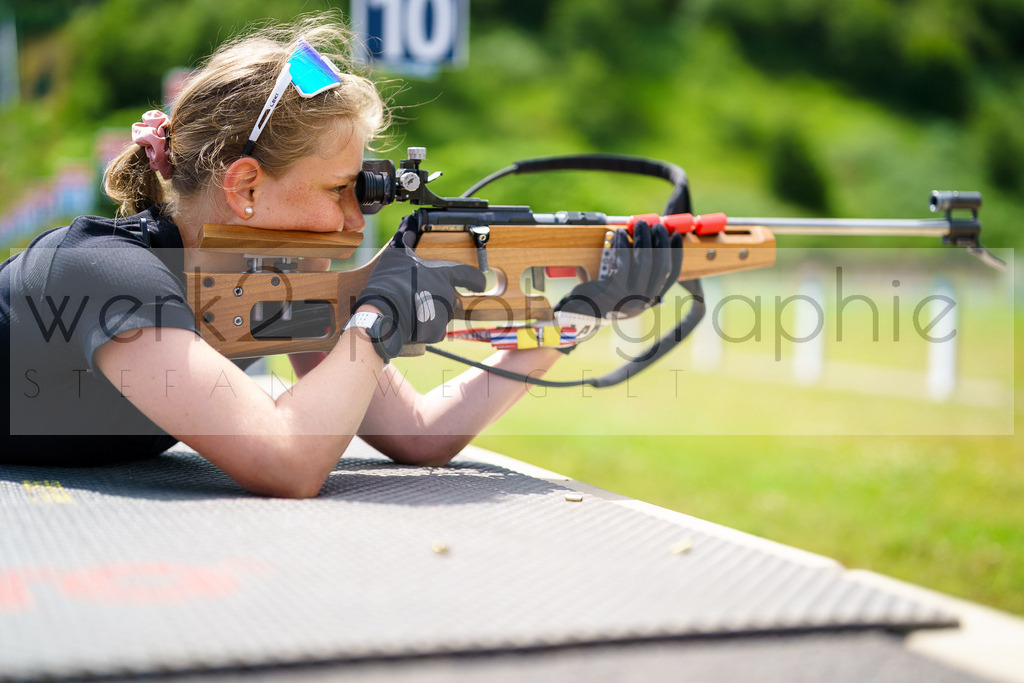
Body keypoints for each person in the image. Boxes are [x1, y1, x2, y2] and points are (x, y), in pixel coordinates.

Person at [0, 15, 680, 497]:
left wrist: (585, 313)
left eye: (365, 189)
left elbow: (417, 436)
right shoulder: (103, 270)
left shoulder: (277, 282)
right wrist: (379, 318)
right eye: (338, 189)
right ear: (245, 186)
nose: (357, 218)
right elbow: (287, 461)